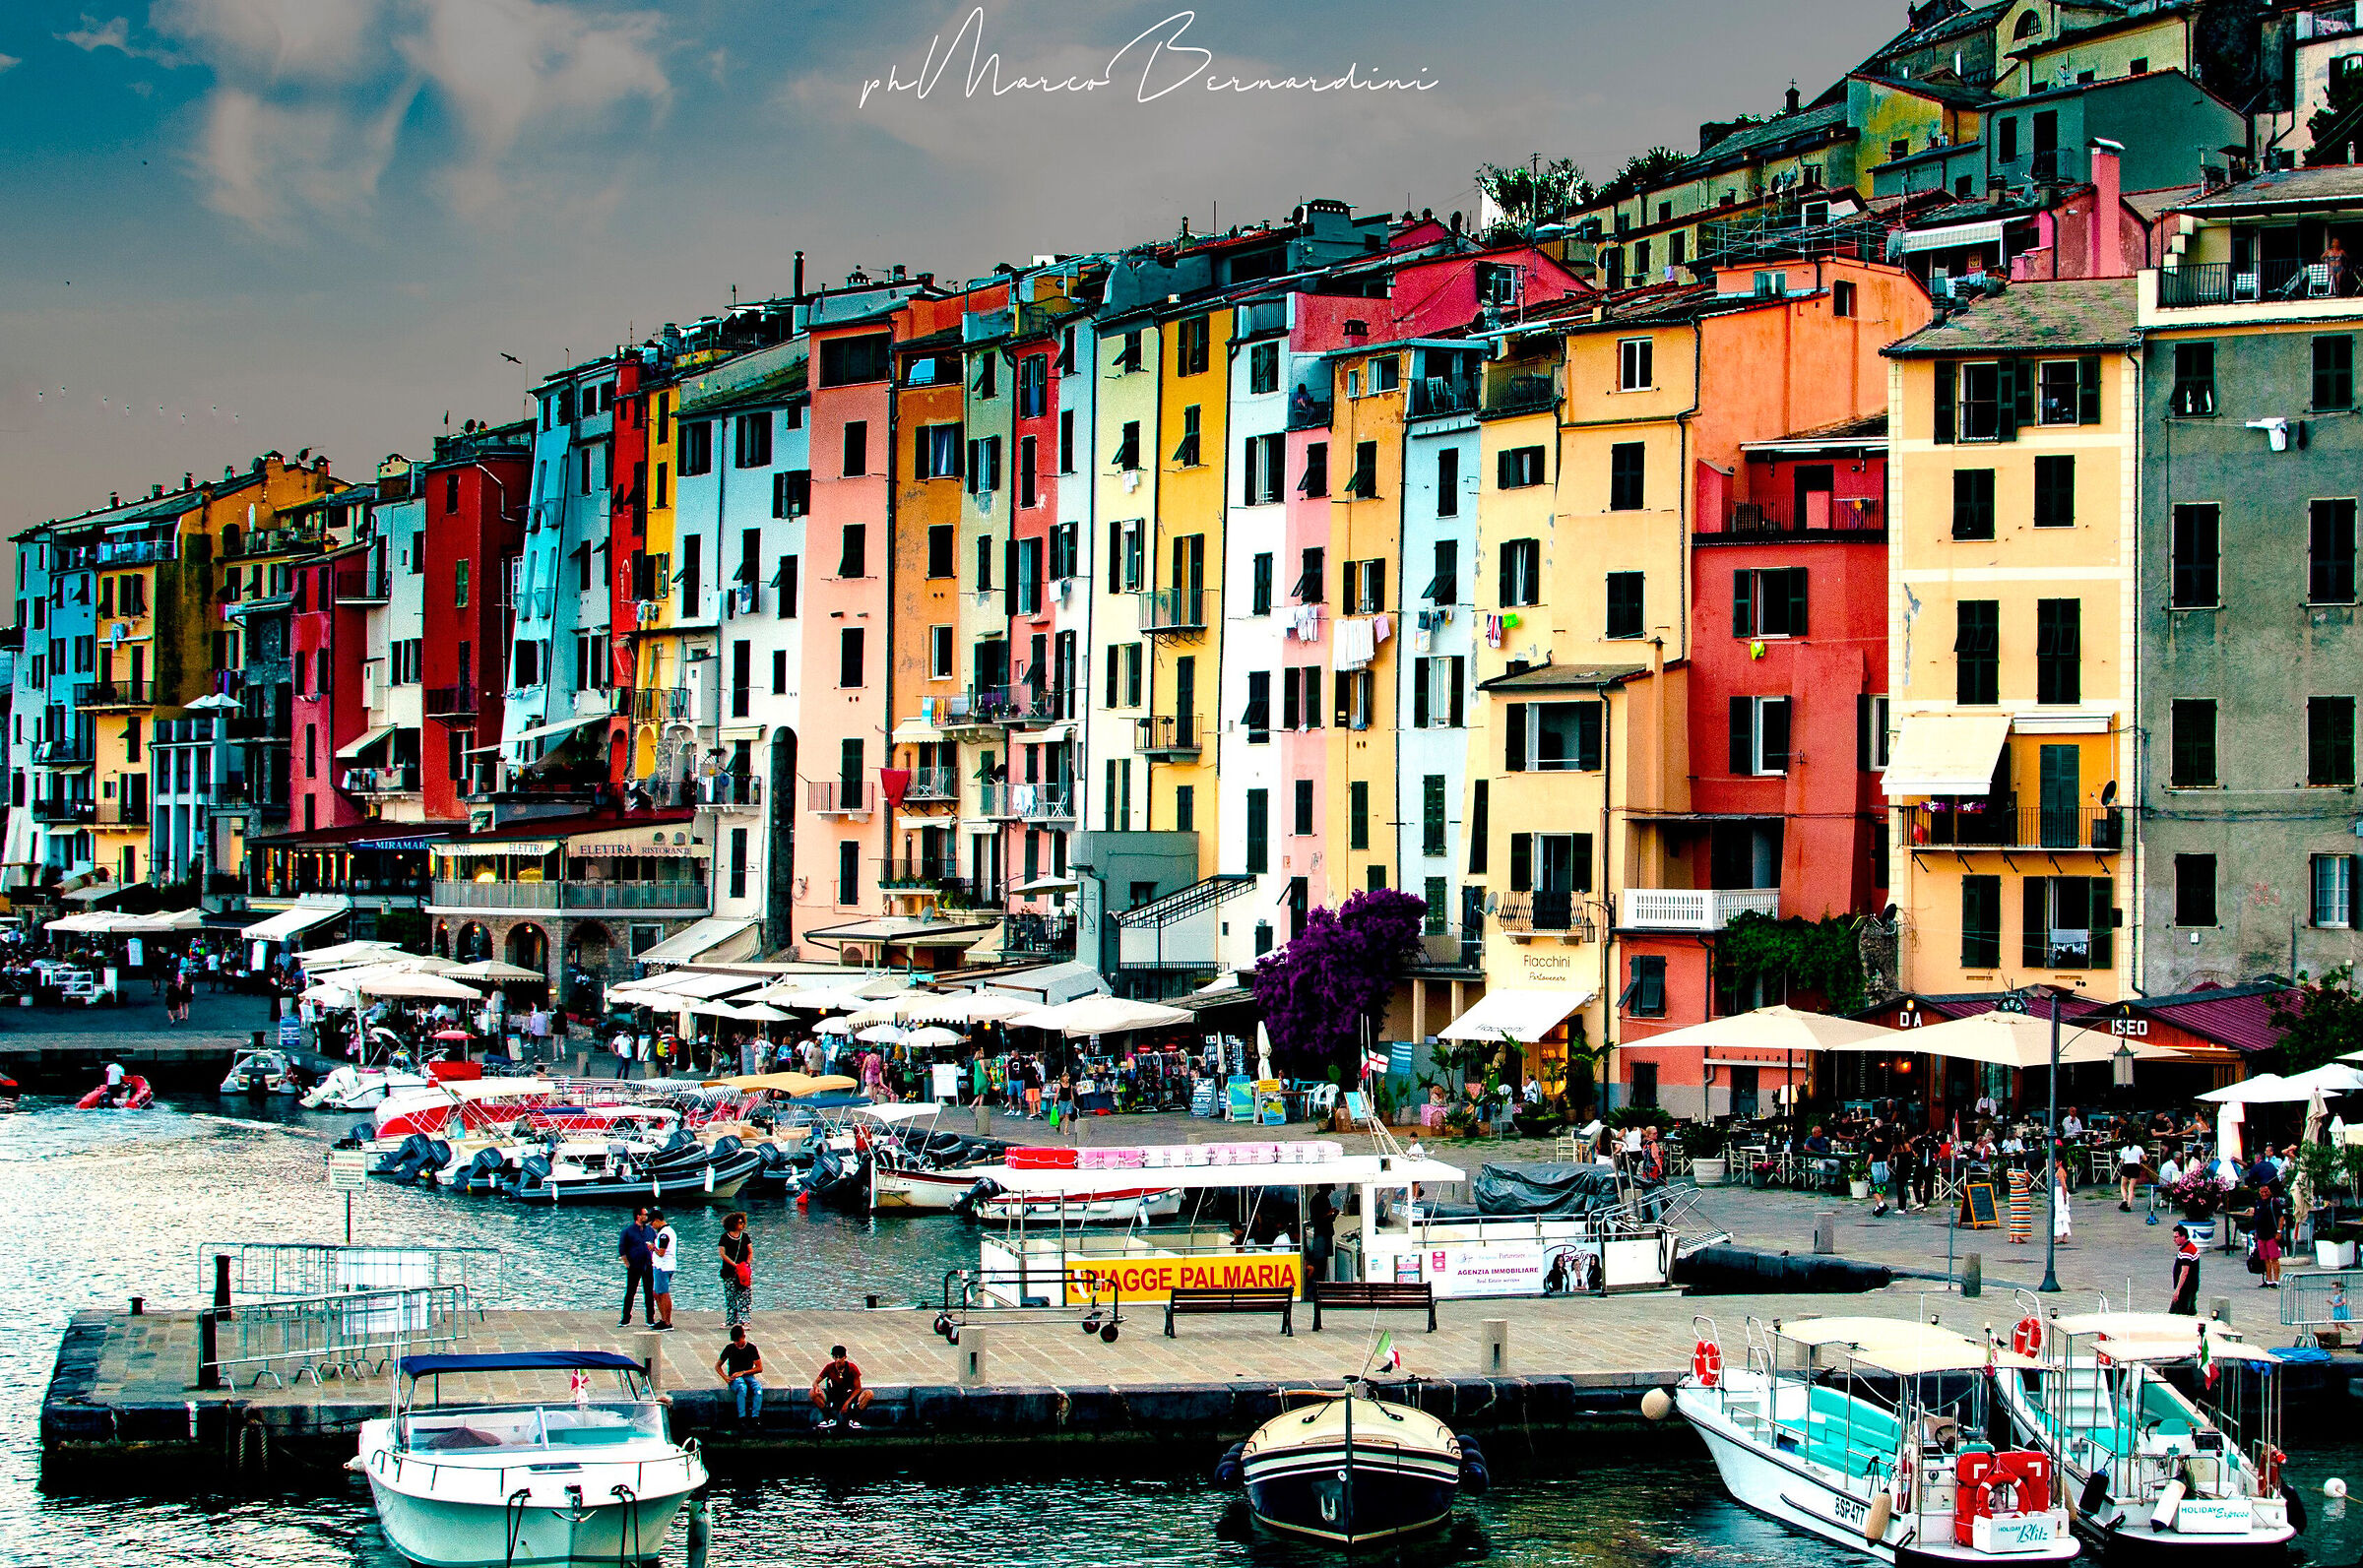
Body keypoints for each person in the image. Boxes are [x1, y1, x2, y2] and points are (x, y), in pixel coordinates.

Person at [810, 1344, 873, 1431]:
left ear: (845, 1357)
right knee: (812, 1392)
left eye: (840, 1357)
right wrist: (816, 1387)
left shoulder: (852, 1368)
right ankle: (829, 1419)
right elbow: (815, 1382)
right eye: (835, 1357)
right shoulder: (829, 1367)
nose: (838, 1360)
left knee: (869, 1394)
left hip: (849, 1396)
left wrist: (847, 1402)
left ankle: (854, 1419)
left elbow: (858, 1388)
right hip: (834, 1396)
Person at [715, 1325, 764, 1424]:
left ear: (743, 1337)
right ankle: (742, 1417)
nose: (737, 1344)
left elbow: (759, 1368)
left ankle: (755, 1416)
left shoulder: (751, 1348)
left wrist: (743, 1372)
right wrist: (725, 1377)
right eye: (735, 1342)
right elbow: (718, 1366)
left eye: (738, 1341)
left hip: (747, 1375)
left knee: (758, 1389)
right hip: (735, 1377)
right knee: (742, 1388)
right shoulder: (729, 1348)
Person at [617, 1208, 658, 1327]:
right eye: (645, 1214)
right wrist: (627, 1264)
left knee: (649, 1292)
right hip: (634, 1265)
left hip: (648, 1265)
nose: (647, 1217)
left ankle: (650, 1318)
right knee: (630, 1292)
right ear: (638, 1216)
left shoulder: (650, 1230)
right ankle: (625, 1318)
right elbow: (622, 1248)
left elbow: (656, 1244)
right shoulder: (628, 1231)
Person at [718, 1211, 754, 1327]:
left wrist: (746, 1264)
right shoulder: (724, 1237)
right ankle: (731, 1319)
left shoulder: (745, 1237)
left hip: (742, 1272)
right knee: (730, 1296)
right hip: (729, 1271)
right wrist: (734, 1264)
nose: (742, 1225)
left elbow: (750, 1251)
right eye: (740, 1222)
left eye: (743, 1222)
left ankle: (745, 1320)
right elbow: (722, 1253)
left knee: (745, 1296)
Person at [648, 1209, 678, 1330]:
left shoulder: (664, 1234)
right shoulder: (667, 1231)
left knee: (663, 1293)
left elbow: (661, 1252)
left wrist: (652, 1247)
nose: (652, 1226)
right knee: (657, 1293)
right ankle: (663, 1319)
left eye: (652, 1223)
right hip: (662, 1265)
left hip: (663, 1266)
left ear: (656, 1220)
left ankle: (667, 1321)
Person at [1305, 1184, 1337, 1284]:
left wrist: (1334, 1215)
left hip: (1326, 1234)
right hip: (1321, 1235)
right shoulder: (1316, 1200)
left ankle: (1320, 1283)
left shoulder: (1325, 1199)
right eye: (1329, 1190)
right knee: (1319, 1262)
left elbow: (1328, 1219)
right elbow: (1315, 1219)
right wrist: (1328, 1213)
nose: (1329, 1192)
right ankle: (1318, 1284)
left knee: (1323, 1262)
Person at [2169, 1223, 2203, 1315]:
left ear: (2183, 1237)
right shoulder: (2187, 1247)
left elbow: (2184, 1272)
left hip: (2186, 1289)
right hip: (2189, 1287)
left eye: (2176, 1237)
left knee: (2179, 1313)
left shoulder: (2187, 1251)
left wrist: (2177, 1290)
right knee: (2190, 1311)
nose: (2174, 1240)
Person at [2118, 1138, 2147, 1212]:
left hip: (2127, 1167)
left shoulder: (2124, 1149)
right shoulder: (2139, 1148)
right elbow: (2145, 1158)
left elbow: (2121, 1161)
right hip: (2135, 1167)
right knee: (2131, 1188)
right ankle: (2129, 1205)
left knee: (2123, 1185)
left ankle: (2124, 1199)